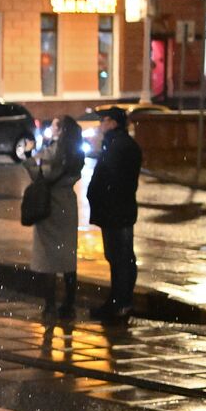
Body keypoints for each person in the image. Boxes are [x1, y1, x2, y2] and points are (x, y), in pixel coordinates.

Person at [25, 116, 85, 321]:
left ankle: (50, 306)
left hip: (50, 205)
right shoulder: (76, 149)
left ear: (60, 130)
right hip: (68, 205)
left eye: (54, 125)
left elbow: (41, 176)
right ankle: (69, 305)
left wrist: (28, 157)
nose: (51, 127)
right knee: (68, 257)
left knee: (47, 259)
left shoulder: (56, 150)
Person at [86, 107, 142, 323]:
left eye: (104, 120)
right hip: (119, 210)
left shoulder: (119, 147)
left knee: (120, 258)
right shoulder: (118, 144)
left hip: (117, 211)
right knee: (120, 257)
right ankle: (117, 302)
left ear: (113, 123)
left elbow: (111, 179)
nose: (101, 124)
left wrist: (103, 197)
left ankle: (121, 304)